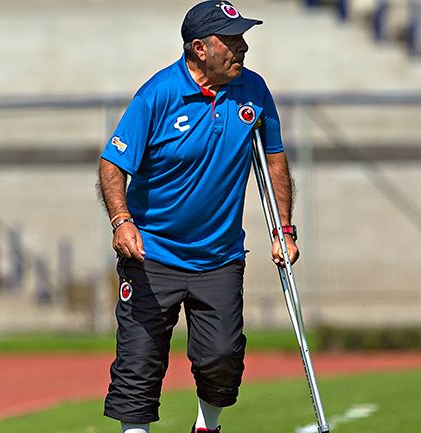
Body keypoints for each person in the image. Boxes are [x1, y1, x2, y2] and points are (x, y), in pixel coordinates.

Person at [97, 2, 298, 433]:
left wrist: (284, 230)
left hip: (219, 257)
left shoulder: (254, 90)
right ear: (199, 48)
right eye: (231, 39)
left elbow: (275, 160)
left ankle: (207, 425)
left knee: (223, 358)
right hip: (153, 254)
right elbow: (112, 164)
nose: (242, 47)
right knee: (140, 360)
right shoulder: (158, 94)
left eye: (242, 38)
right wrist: (121, 221)